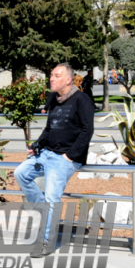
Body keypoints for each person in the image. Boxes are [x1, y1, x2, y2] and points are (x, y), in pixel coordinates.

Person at [14, 63, 94, 258]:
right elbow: (49, 129)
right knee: (20, 173)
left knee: (52, 197)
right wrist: (36, 145)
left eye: (56, 76)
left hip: (65, 158)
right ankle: (44, 210)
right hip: (47, 153)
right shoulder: (55, 100)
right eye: (51, 75)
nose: (51, 78)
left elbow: (87, 130)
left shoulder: (82, 100)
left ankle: (46, 243)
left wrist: (70, 155)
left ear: (68, 79)